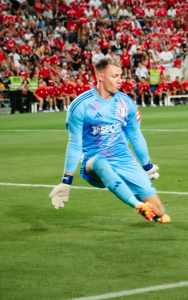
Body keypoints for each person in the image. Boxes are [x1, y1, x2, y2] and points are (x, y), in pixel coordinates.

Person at [48, 57, 169, 223]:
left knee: (158, 212)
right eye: (115, 76)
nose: (120, 81)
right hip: (93, 162)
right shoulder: (81, 105)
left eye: (121, 76)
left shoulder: (127, 103)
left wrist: (147, 166)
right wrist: (66, 181)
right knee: (101, 162)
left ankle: (140, 200)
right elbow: (75, 144)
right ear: (101, 77)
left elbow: (135, 135)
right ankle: (137, 204)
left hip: (123, 159)